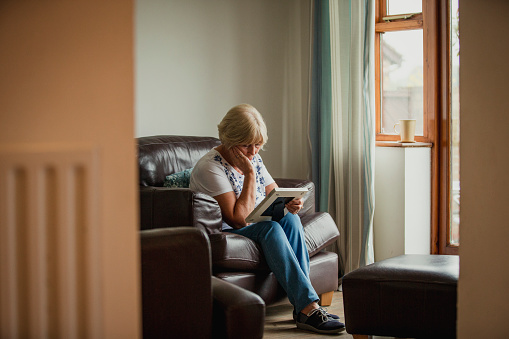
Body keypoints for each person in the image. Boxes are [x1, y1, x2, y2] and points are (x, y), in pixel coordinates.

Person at [190, 104, 345, 334]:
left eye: (258, 144)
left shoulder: (254, 158)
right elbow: (238, 219)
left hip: (256, 224)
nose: (254, 151)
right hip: (226, 231)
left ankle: (305, 309)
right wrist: (250, 173)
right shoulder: (210, 167)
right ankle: (309, 307)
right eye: (246, 145)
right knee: (270, 228)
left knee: (291, 220)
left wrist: (291, 203)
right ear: (230, 140)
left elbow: (274, 195)